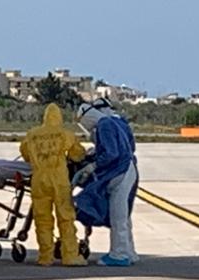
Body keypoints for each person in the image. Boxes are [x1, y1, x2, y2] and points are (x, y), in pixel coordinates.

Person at [20, 104, 88, 267]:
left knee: (42, 219)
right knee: (65, 218)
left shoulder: (32, 134)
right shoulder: (66, 134)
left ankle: (45, 256)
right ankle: (70, 255)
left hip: (39, 181)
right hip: (59, 181)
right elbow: (78, 155)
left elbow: (25, 154)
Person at [75, 102, 139, 267]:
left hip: (120, 171)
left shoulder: (104, 125)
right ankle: (129, 251)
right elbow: (129, 146)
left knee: (117, 215)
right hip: (128, 168)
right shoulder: (118, 121)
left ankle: (119, 255)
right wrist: (97, 152)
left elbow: (111, 153)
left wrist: (93, 165)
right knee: (124, 215)